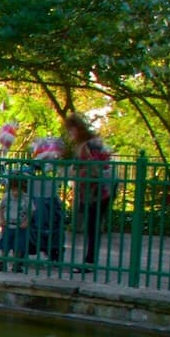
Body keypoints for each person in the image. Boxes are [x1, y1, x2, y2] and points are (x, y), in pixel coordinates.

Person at [63, 114, 114, 273]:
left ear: (77, 128)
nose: (70, 135)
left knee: (92, 226)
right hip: (92, 191)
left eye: (70, 131)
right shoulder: (88, 144)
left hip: (98, 192)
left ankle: (89, 262)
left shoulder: (89, 145)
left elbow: (96, 168)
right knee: (90, 226)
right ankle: (88, 260)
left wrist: (76, 170)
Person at [0, 177, 33, 272]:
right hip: (8, 224)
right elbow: (1, 208)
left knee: (18, 245)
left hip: (20, 225)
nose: (16, 193)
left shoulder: (26, 198)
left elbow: (31, 211)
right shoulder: (7, 196)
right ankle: (2, 262)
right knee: (4, 244)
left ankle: (16, 263)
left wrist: (26, 222)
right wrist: (2, 219)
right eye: (13, 190)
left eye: (18, 190)